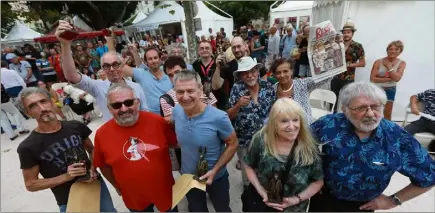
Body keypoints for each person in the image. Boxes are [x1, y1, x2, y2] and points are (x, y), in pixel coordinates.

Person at [309, 82, 435, 212]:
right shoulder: (328, 124)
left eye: (376, 106)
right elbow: (299, 149)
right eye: (361, 108)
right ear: (345, 109)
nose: (370, 113)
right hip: (322, 197)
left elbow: (430, 176)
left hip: (363, 206)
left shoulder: (397, 137)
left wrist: (394, 200)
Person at [16, 87, 116, 212]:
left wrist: (92, 167)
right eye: (33, 106)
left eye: (43, 101)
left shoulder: (75, 126)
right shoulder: (28, 147)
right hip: (69, 199)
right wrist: (66, 176)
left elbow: (91, 150)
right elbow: (31, 184)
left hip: (96, 186)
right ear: (27, 113)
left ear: (52, 102)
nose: (42, 108)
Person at [93, 84, 177, 212]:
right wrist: (116, 186)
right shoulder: (101, 134)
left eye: (128, 102)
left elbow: (174, 144)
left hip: (164, 190)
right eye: (116, 105)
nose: (124, 109)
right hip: (133, 197)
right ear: (109, 108)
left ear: (137, 102)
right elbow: (103, 166)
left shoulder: (158, 122)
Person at [171, 70, 238, 212]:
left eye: (190, 91)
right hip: (189, 178)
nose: (185, 96)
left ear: (200, 90)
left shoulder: (219, 117)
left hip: (217, 178)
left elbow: (233, 144)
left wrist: (215, 170)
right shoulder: (176, 111)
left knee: (222, 209)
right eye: (180, 92)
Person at [56, 20, 147, 121]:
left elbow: (145, 112)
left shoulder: (136, 87)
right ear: (103, 69)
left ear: (122, 66)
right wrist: (65, 44)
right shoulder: (98, 87)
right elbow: (71, 76)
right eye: (107, 66)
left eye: (115, 64)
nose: (112, 69)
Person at [243, 98, 324, 212]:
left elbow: (317, 181)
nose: (292, 126)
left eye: (295, 120)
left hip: (294, 209)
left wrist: (295, 200)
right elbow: (248, 165)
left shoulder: (309, 146)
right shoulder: (261, 140)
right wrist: (260, 189)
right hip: (262, 206)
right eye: (284, 121)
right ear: (274, 123)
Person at [227, 56, 276, 185]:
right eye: (245, 73)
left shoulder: (268, 87)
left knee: (266, 172)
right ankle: (249, 197)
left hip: (266, 140)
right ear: (241, 76)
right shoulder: (237, 89)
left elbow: (275, 113)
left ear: (258, 70)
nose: (250, 75)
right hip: (244, 141)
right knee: (248, 178)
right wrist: (238, 105)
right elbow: (229, 116)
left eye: (252, 71)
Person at [269, 58, 332, 124]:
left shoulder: (302, 84)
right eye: (278, 72)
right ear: (274, 75)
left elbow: (325, 78)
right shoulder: (272, 90)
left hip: (304, 127)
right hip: (282, 129)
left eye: (285, 71)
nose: (282, 75)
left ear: (292, 71)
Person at [160, 56, 217, 120]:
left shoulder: (203, 89)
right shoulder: (166, 99)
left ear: (185, 70)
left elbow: (215, 113)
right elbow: (172, 123)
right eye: (170, 75)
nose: (174, 77)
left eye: (177, 72)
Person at [331, 20, 366, 112]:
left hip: (348, 78)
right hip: (335, 76)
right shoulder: (337, 45)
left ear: (352, 33)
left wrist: (350, 65)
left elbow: (363, 63)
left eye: (348, 32)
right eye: (344, 32)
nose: (346, 34)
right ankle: (332, 117)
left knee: (347, 101)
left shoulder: (358, 46)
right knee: (332, 100)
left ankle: (346, 118)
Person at [370, 40, 406, 120]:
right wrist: (390, 78)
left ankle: (387, 130)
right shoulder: (378, 62)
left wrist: (389, 67)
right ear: (387, 50)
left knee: (388, 112)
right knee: (374, 111)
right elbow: (372, 78)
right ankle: (373, 129)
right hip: (377, 89)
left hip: (391, 89)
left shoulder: (402, 63)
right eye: (391, 49)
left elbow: (397, 79)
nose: (393, 51)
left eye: (396, 49)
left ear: (400, 51)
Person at [192, 41, 227, 110]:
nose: (204, 50)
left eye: (207, 48)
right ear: (198, 52)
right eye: (202, 48)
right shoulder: (194, 65)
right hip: (201, 100)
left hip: (219, 98)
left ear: (211, 50)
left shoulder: (219, 63)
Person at [404, 89, 435, 154]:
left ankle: (432, 147)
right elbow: (414, 97)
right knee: (404, 131)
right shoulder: (431, 92)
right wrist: (413, 105)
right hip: (424, 121)